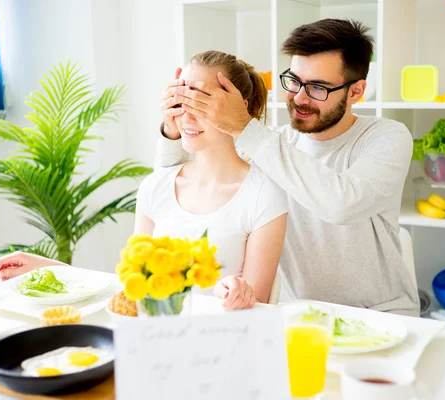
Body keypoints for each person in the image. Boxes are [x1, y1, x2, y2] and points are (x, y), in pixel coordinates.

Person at [156, 19, 420, 316]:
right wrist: (172, 127)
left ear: (356, 91)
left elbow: (341, 204)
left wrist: (244, 126)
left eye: (318, 87)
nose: (299, 98)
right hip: (300, 314)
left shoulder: (386, 137)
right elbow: (167, 187)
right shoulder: (271, 143)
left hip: (382, 314)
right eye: (293, 81)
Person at [0, 50, 288, 311]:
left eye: (202, 101)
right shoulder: (156, 186)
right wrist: (50, 270)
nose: (186, 116)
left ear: (239, 107)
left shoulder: (264, 195)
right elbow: (129, 290)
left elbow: (256, 308)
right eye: (181, 100)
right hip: (153, 341)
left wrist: (238, 295)